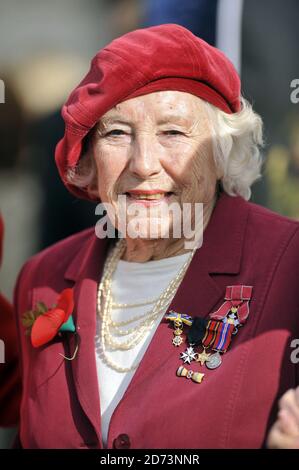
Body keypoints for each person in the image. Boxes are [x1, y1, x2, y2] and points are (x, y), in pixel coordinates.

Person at [13, 24, 299, 449]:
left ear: (223, 153)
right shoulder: (43, 276)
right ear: (88, 160)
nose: (143, 164)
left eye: (173, 132)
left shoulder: (290, 264)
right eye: (116, 133)